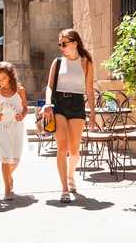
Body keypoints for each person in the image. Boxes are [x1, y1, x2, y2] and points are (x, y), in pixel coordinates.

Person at [41, 28, 96, 203]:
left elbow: (89, 90)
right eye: (60, 44)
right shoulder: (57, 62)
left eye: (64, 43)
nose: (61, 47)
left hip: (77, 104)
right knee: (62, 148)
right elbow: (50, 86)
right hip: (59, 105)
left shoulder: (86, 62)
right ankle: (64, 188)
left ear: (74, 43)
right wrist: (48, 104)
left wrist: (93, 113)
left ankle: (71, 176)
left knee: (74, 150)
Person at [0, 61, 28, 201]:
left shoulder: (20, 90)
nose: (1, 82)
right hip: (2, 128)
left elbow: (25, 107)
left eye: (4, 78)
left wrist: (23, 114)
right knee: (5, 159)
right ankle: (7, 189)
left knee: (15, 160)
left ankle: (9, 177)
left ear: (10, 77)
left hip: (17, 128)